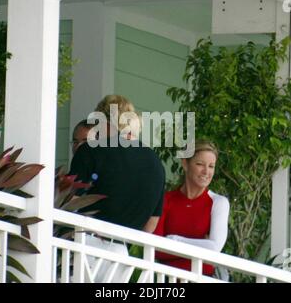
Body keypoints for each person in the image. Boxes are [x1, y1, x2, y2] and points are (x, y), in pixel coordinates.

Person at [69, 95, 165, 232]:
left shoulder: (90, 150)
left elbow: (69, 201)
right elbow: (151, 225)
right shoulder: (156, 164)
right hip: (122, 250)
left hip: (86, 242)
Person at [153, 140, 230, 278]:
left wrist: (174, 240)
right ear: (185, 163)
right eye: (200, 164)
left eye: (211, 166)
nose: (206, 171)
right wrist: (202, 245)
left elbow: (214, 248)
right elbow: (157, 250)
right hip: (168, 281)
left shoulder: (218, 203)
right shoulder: (166, 199)